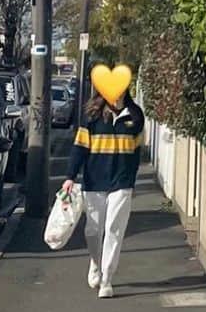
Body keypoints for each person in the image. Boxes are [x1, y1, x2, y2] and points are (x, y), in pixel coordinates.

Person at [62, 81, 145, 299]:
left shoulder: (135, 116)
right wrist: (70, 177)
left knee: (114, 229)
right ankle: (95, 263)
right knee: (93, 230)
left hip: (122, 182)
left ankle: (107, 279)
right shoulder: (91, 116)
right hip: (94, 181)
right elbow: (79, 148)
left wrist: (132, 181)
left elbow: (137, 153)